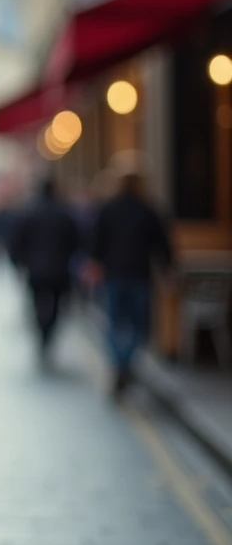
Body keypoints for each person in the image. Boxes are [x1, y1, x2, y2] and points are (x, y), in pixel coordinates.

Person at [88, 167, 173, 398]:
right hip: (139, 275)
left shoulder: (108, 208)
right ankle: (124, 363)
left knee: (114, 324)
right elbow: (162, 245)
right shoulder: (148, 209)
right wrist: (166, 272)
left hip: (114, 275)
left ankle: (119, 363)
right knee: (140, 327)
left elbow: (96, 241)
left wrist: (95, 266)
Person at [9, 177, 81, 364]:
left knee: (37, 303)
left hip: (35, 268)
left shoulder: (30, 213)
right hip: (59, 269)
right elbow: (76, 241)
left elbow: (17, 241)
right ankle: (48, 334)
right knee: (56, 305)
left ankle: (42, 332)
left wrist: (19, 262)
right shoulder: (64, 214)